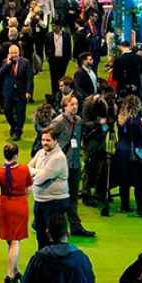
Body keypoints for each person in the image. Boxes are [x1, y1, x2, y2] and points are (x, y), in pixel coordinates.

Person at [50, 95, 95, 237]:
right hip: (62, 165)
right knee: (60, 196)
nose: (75, 107)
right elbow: (47, 139)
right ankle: (52, 225)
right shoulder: (58, 122)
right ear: (65, 106)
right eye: (72, 105)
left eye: (76, 105)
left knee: (73, 195)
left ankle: (75, 226)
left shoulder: (79, 121)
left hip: (75, 163)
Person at [0, 142, 33, 283]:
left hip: (4, 206)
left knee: (10, 239)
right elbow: (29, 188)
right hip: (20, 204)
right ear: (17, 155)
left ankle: (15, 272)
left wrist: (1, 202)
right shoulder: (24, 169)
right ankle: (9, 274)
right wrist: (20, 198)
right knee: (15, 240)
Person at [28, 126, 70, 249]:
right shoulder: (41, 153)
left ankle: (55, 259)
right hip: (41, 201)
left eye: (48, 140)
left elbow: (40, 179)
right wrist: (39, 172)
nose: (44, 143)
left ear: (56, 141)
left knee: (54, 237)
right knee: (40, 234)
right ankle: (43, 257)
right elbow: (27, 169)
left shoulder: (58, 158)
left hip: (55, 203)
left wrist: (35, 173)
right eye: (43, 140)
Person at [115, 94, 142, 217]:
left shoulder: (121, 119)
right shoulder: (136, 120)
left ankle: (124, 206)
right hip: (135, 153)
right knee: (140, 182)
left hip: (122, 152)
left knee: (124, 180)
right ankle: (140, 210)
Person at [0, 44, 34, 141]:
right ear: (9, 54)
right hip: (8, 91)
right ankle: (13, 126)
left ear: (19, 53)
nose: (14, 54)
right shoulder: (6, 62)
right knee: (6, 111)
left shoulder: (25, 62)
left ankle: (18, 132)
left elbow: (29, 78)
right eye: (12, 53)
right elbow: (1, 73)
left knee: (20, 113)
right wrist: (8, 63)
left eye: (15, 53)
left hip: (21, 92)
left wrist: (28, 91)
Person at [44, 21, 72, 97]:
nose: (53, 28)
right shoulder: (48, 35)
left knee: (62, 76)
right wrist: (48, 57)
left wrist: (68, 57)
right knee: (53, 77)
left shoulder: (66, 35)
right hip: (53, 59)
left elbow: (69, 46)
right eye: (52, 26)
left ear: (59, 26)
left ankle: (61, 93)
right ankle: (54, 93)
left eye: (54, 26)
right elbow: (46, 47)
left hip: (63, 59)